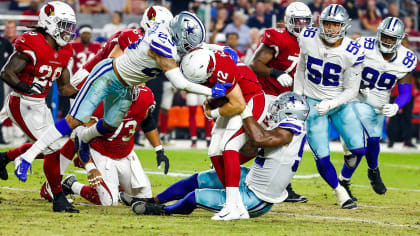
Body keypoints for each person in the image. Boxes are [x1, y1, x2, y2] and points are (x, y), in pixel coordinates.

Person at [14, 11, 229, 183]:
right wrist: (213, 91)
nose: (189, 48)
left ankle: (84, 141)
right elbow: (180, 83)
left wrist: (220, 48)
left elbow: (190, 49)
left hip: (126, 88)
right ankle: (26, 157)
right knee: (73, 121)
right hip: (107, 76)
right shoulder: (162, 44)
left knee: (109, 126)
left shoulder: (168, 34)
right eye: (187, 42)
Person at [130, 92, 309, 219]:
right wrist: (227, 161)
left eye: (278, 108)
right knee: (197, 179)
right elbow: (251, 149)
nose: (273, 111)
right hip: (250, 180)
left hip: (257, 198)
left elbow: (258, 138)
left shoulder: (287, 133)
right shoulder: (288, 132)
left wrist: (244, 111)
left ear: (289, 113)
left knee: (194, 197)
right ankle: (151, 200)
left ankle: (162, 210)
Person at [0, 1, 79, 213]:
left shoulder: (65, 50)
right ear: (49, 23)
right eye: (63, 25)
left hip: (39, 105)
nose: (67, 31)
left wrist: (86, 95)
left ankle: (5, 158)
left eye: (70, 26)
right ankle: (58, 197)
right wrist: (27, 86)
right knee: (53, 147)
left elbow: (64, 87)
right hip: (21, 102)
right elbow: (6, 72)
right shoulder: (33, 42)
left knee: (51, 146)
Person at [293, 4, 366, 209]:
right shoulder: (307, 37)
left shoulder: (352, 51)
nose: (331, 29)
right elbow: (301, 66)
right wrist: (298, 93)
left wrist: (332, 103)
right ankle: (340, 192)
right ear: (320, 24)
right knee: (322, 154)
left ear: (343, 26)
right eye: (327, 24)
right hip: (313, 104)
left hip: (340, 102)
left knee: (359, 149)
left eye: (335, 25)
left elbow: (352, 90)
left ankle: (344, 176)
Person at [45, 85, 166, 206]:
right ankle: (72, 184)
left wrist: (159, 149)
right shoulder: (100, 100)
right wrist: (90, 166)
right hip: (100, 151)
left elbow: (147, 121)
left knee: (144, 198)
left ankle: (123, 195)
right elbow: (80, 136)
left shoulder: (144, 95)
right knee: (108, 201)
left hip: (125, 153)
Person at [181, 48, 265, 220]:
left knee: (229, 147)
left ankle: (231, 205)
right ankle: (238, 205)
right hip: (235, 102)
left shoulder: (225, 70)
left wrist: (212, 112)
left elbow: (238, 105)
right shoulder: (202, 59)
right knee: (214, 151)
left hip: (250, 100)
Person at [339, 17, 417, 198]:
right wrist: (355, 84)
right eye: (385, 36)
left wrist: (396, 106)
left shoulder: (405, 59)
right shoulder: (363, 46)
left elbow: (406, 92)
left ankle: (354, 177)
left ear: (399, 39)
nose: (387, 41)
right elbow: (344, 68)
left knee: (370, 144)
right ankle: (369, 172)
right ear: (378, 34)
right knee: (359, 145)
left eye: (392, 38)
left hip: (379, 104)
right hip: (355, 99)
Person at [249, 1, 313, 203]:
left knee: (289, 145)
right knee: (259, 141)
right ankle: (222, 169)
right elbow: (255, 64)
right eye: (297, 21)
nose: (302, 25)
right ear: (287, 21)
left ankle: (282, 185)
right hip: (268, 96)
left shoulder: (311, 41)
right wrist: (275, 72)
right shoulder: (279, 38)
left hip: (290, 101)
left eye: (305, 21)